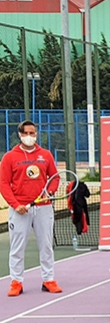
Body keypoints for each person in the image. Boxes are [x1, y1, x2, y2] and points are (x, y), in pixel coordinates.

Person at [1, 120, 62, 296]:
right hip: (20, 209)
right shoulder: (10, 157)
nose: (30, 137)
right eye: (26, 133)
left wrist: (49, 192)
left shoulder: (46, 154)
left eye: (33, 133)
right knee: (17, 247)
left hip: (43, 207)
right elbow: (4, 184)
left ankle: (48, 279)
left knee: (46, 245)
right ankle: (16, 282)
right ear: (20, 135)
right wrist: (16, 205)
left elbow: (55, 178)